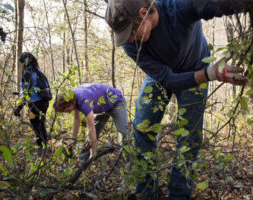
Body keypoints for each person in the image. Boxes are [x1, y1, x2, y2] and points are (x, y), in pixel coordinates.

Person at [105, 0, 250, 199]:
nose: (129, 39)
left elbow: (216, 4)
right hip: (162, 76)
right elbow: (168, 80)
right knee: (141, 129)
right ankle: (146, 193)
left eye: (131, 31)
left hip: (197, 68)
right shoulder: (131, 46)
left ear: (144, 13)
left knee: (189, 139)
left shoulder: (178, 7)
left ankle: (179, 195)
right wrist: (210, 74)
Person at [53, 83, 129, 160]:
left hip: (116, 102)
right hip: (102, 106)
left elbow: (91, 128)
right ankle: (85, 156)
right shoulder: (73, 98)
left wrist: (94, 151)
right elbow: (76, 120)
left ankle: (126, 156)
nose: (68, 112)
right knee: (93, 132)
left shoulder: (83, 101)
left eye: (66, 110)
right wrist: (73, 140)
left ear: (69, 104)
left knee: (122, 131)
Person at [14, 52, 52, 155]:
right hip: (44, 102)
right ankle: (44, 148)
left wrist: (18, 108)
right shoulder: (38, 71)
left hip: (35, 104)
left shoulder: (28, 74)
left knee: (37, 126)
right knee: (41, 125)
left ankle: (41, 151)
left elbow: (26, 93)